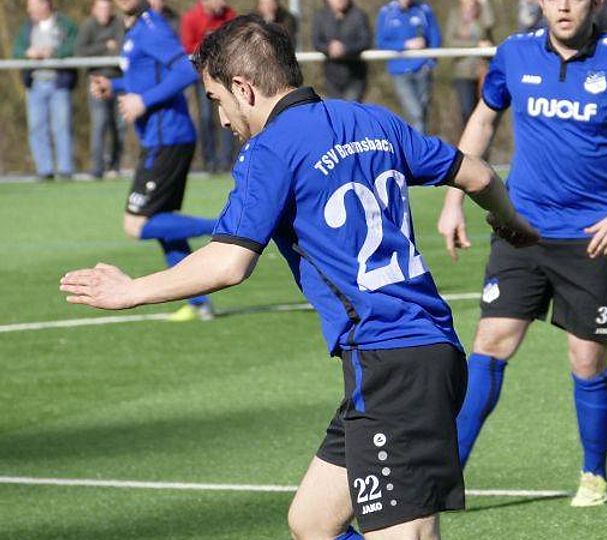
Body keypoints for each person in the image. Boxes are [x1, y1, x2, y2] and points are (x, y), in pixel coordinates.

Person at [61, 15, 538, 539]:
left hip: (392, 361)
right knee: (313, 522)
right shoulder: (369, 118)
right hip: (410, 354)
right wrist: (511, 223)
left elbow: (228, 263)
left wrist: (131, 290)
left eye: (217, 99)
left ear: (243, 88)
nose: (220, 118)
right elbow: (479, 174)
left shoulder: (270, 149)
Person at [438, 0, 607, 507]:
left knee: (586, 359)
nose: (564, 5)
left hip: (592, 239)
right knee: (490, 343)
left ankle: (594, 474)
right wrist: (454, 199)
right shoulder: (514, 53)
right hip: (520, 228)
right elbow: (482, 122)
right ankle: (445, 477)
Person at [89, 0, 218, 322]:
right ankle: (199, 303)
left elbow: (187, 69)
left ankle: (223, 228)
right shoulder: (134, 28)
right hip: (161, 138)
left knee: (136, 224)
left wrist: (144, 101)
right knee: (163, 224)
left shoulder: (151, 27)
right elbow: (146, 75)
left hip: (167, 138)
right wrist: (114, 86)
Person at [12, 0, 78, 181]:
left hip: (59, 83)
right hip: (35, 84)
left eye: (31, 6)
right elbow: (16, 50)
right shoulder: (26, 27)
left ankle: (65, 169)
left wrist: (54, 53)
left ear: (44, 5)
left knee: (62, 126)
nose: (28, 10)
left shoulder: (65, 24)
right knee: (36, 127)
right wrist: (28, 53)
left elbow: (75, 45)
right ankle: (44, 170)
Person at [181, 0, 237, 172]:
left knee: (230, 115)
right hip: (203, 78)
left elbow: (236, 41)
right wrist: (211, 48)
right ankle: (209, 161)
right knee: (205, 118)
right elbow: (187, 47)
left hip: (226, 76)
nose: (222, 3)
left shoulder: (230, 16)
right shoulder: (191, 18)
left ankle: (227, 160)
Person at [76, 0, 126, 180]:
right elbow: (80, 51)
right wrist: (105, 46)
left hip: (119, 80)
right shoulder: (87, 26)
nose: (104, 12)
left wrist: (106, 50)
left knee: (119, 125)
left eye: (107, 8)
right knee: (99, 124)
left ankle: (114, 166)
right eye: (101, 8)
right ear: (93, 10)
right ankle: (97, 168)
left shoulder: (119, 23)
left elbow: (122, 49)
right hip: (96, 80)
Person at [376, 0, 441, 133]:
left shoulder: (424, 9)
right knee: (415, 113)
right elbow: (381, 42)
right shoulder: (386, 12)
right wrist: (405, 45)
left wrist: (430, 62)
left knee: (422, 113)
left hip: (422, 69)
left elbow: (435, 36)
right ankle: (417, 145)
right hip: (400, 71)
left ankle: (418, 142)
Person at [444, 0, 494, 127]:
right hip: (463, 73)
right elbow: (450, 42)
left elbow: (489, 26)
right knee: (467, 112)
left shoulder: (481, 13)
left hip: (482, 72)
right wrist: (475, 45)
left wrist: (485, 5)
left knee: (485, 113)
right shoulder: (455, 15)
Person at [312, 0, 372, 102]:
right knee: (336, 109)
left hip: (355, 76)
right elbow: (317, 42)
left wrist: (345, 48)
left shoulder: (359, 16)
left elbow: (365, 40)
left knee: (350, 107)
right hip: (331, 77)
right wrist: (329, 48)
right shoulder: (320, 16)